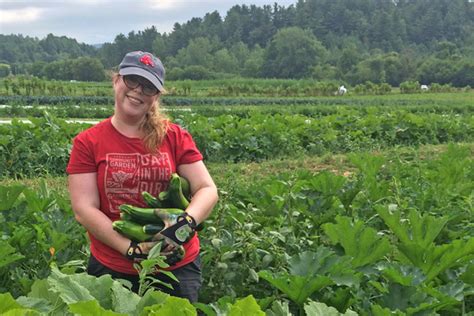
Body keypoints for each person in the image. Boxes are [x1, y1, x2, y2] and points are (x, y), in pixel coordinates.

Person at [66, 51, 218, 302]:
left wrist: (186, 222)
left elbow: (207, 188)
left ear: (156, 96)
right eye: (132, 80)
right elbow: (84, 208)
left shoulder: (174, 136)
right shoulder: (88, 141)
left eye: (148, 87)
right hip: (113, 267)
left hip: (177, 266)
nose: (138, 90)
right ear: (117, 80)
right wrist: (131, 249)